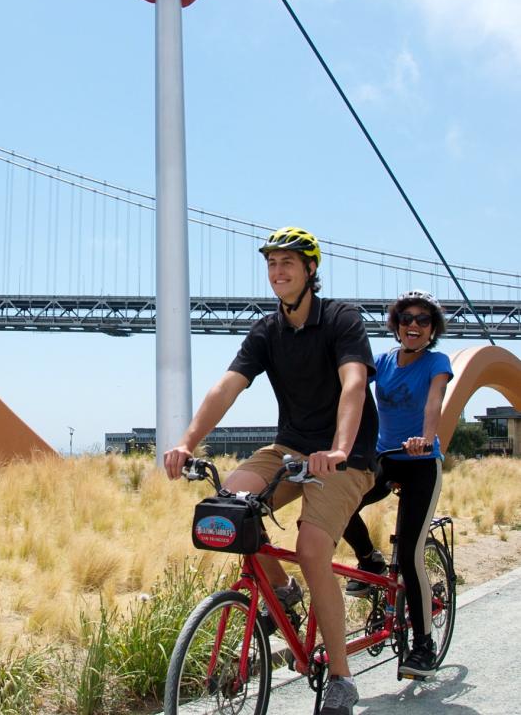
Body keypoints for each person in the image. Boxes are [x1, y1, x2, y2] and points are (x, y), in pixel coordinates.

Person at [164, 226, 378, 715]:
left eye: (288, 263)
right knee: (227, 512)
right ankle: (283, 592)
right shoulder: (266, 330)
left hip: (348, 457)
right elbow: (227, 386)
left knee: (311, 547)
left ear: (310, 270)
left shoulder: (341, 319)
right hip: (289, 448)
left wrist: (340, 448)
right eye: (271, 264)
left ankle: (341, 678)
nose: (277, 272)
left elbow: (354, 385)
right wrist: (185, 442)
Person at [342, 290, 453, 679]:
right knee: (338, 505)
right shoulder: (384, 361)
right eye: (407, 318)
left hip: (421, 463)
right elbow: (352, 390)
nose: (414, 325)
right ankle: (369, 559)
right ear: (396, 324)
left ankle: (423, 645)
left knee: (409, 554)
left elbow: (433, 401)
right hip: (384, 458)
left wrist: (425, 437)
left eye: (424, 320)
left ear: (433, 329)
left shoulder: (436, 362)